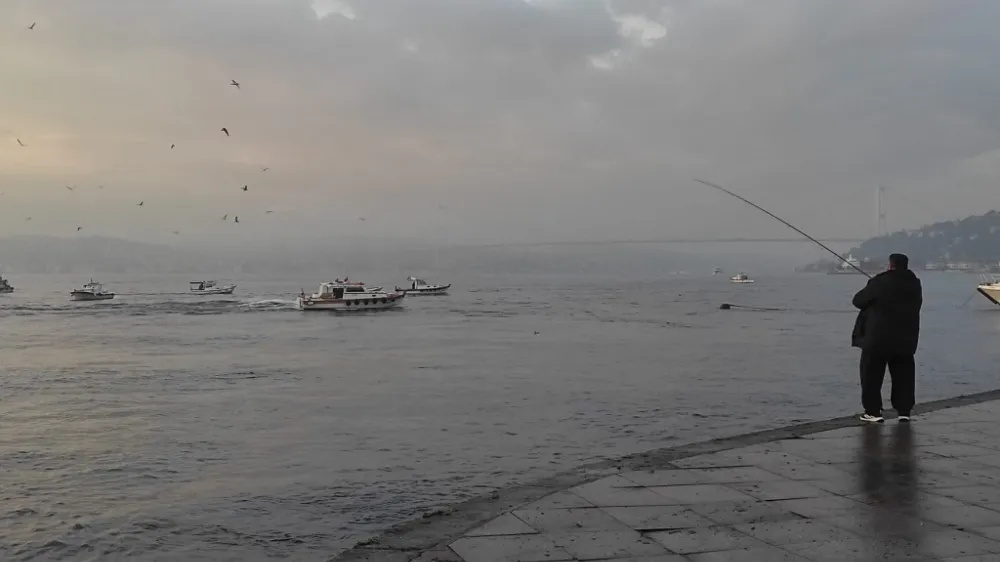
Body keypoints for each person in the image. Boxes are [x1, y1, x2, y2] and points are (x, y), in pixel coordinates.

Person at [851, 253, 922, 423]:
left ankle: (873, 412)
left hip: (878, 339)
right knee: (904, 375)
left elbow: (858, 301)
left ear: (890, 265)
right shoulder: (915, 283)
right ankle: (904, 411)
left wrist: (874, 283)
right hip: (906, 338)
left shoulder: (880, 281)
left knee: (871, 375)